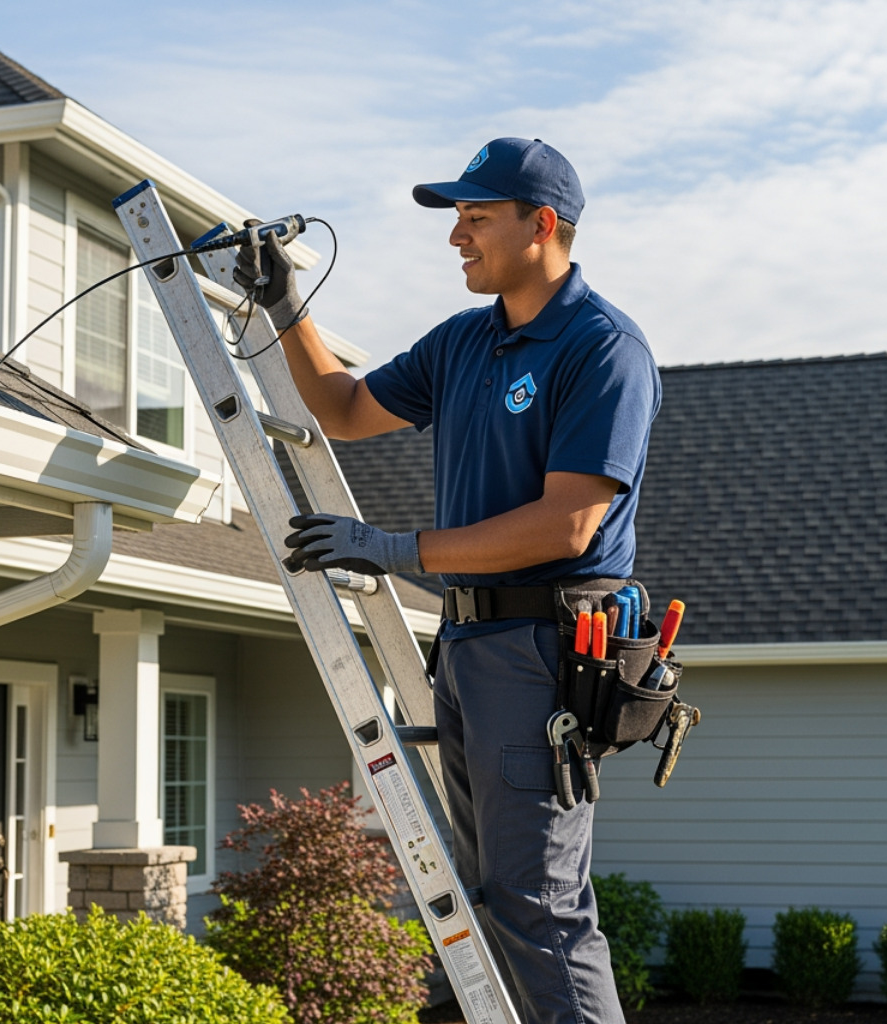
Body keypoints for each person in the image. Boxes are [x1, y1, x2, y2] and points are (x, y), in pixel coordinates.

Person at [236, 137, 660, 1024]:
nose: (456, 238)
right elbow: (346, 410)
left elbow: (569, 523)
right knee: (488, 899)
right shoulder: (465, 343)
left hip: (545, 652)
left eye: (477, 218)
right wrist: (283, 305)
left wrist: (393, 550)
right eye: (456, 220)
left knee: (540, 906)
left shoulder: (601, 347)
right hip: (466, 647)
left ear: (542, 225)